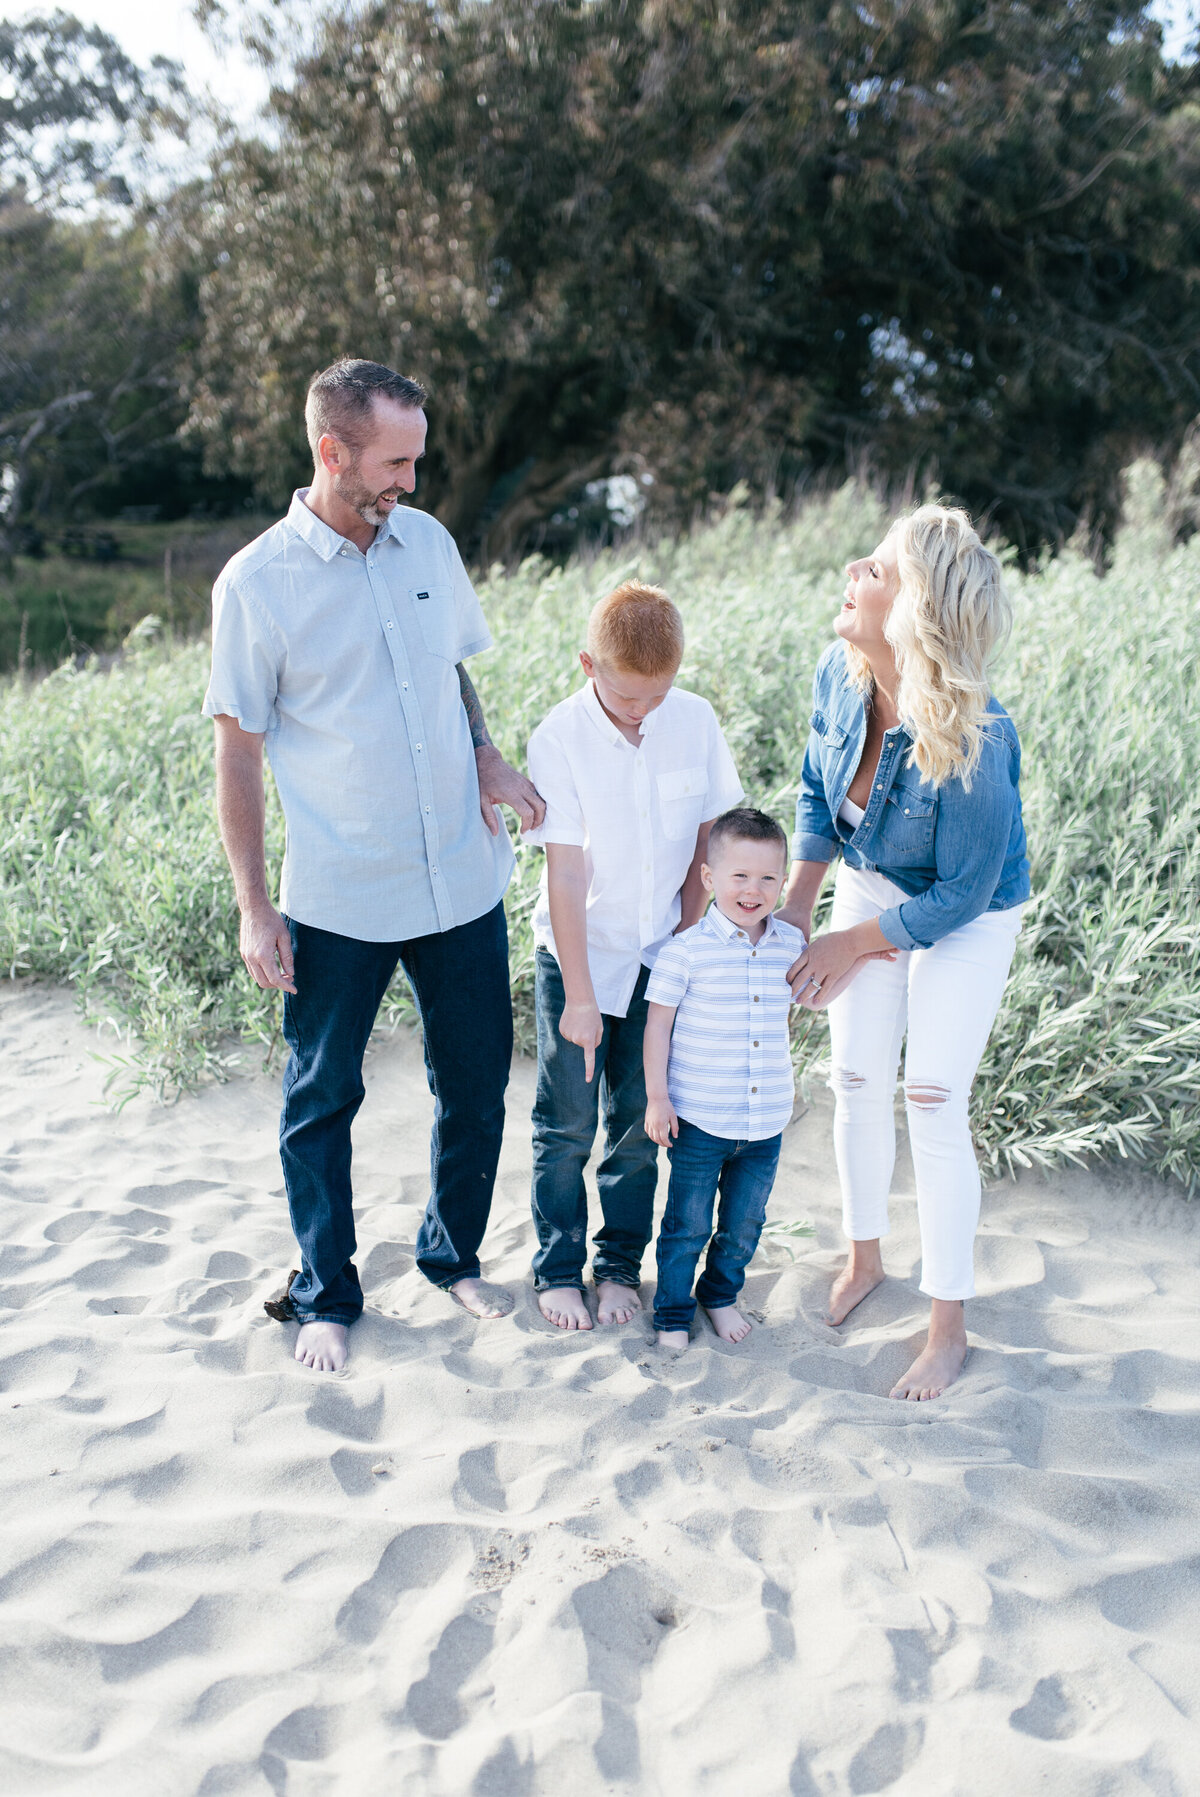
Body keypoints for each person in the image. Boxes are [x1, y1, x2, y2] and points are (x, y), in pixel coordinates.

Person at [203, 357, 545, 1373]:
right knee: (322, 1100)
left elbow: (449, 674)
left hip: (460, 876)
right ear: (331, 452)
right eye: (394, 462)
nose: (410, 481)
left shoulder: (428, 541)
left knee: (476, 1085)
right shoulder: (255, 586)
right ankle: (325, 1291)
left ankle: (453, 1257)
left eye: (416, 460)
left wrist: (485, 753)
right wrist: (253, 906)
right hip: (340, 895)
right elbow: (237, 754)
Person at [779, 503, 1030, 1400]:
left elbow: (963, 889)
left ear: (915, 610)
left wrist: (858, 942)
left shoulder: (976, 734)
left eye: (876, 570)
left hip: (970, 910)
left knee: (930, 1096)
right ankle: (863, 1258)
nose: (854, 568)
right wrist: (801, 918)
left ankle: (947, 1324)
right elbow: (815, 791)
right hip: (872, 880)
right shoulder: (841, 676)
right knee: (853, 1079)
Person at [522, 581, 744, 1330]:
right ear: (588, 663)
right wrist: (580, 996)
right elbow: (567, 870)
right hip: (577, 954)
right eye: (624, 699)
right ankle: (556, 1268)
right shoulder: (559, 737)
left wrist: (685, 948)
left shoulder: (696, 721)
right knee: (568, 1123)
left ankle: (617, 1267)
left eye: (656, 696)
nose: (642, 712)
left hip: (660, 952)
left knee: (638, 1123)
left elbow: (705, 847)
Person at [643, 807, 805, 1350]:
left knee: (743, 1227)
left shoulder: (789, 944)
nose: (752, 890)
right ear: (710, 879)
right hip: (700, 1120)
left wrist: (865, 954)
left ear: (783, 881)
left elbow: (816, 995)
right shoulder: (685, 952)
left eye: (767, 878)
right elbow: (657, 1028)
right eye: (739, 876)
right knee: (686, 1226)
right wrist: (657, 1099)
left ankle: (719, 1295)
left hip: (765, 1122)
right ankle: (671, 1313)